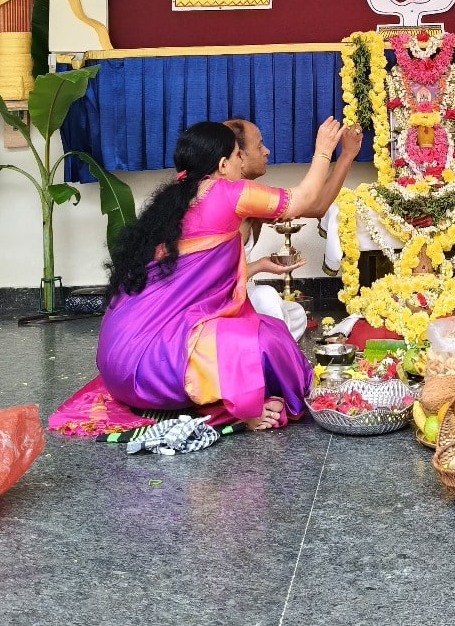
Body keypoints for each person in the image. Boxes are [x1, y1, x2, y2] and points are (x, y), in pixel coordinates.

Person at [96, 117, 345, 431]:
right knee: (258, 344)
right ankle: (244, 409)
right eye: (239, 156)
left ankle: (225, 393)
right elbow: (304, 200)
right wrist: (324, 151)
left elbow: (194, 278)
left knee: (273, 333)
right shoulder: (228, 193)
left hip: (117, 359)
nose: (244, 160)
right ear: (224, 163)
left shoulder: (174, 197)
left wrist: (257, 266)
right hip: (150, 363)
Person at [224, 116, 364, 339]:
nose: (267, 151)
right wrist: (324, 151)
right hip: (217, 298)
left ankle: (271, 343)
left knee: (297, 313)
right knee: (267, 296)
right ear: (238, 156)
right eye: (259, 145)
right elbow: (216, 280)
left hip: (240, 291)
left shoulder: (252, 194)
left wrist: (347, 155)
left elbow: (316, 207)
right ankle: (271, 358)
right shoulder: (230, 196)